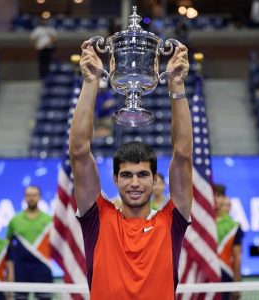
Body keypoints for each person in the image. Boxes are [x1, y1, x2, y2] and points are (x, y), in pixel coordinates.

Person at [70, 40, 192, 299]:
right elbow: (79, 153)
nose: (134, 183)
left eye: (142, 175)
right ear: (115, 179)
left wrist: (177, 85)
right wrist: (91, 82)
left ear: (155, 179)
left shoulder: (171, 221)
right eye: (126, 175)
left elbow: (182, 155)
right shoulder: (98, 218)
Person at [6, 185, 53, 300]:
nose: (31, 198)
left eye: (34, 195)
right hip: (20, 269)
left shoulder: (49, 220)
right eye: (28, 195)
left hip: (42, 267)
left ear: (39, 197)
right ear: (24, 197)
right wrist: (9, 273)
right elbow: (8, 248)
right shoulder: (15, 220)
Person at [217, 196, 243, 300]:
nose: (226, 208)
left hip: (226, 274)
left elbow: (237, 256)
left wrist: (237, 283)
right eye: (224, 204)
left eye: (229, 205)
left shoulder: (235, 226)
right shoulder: (202, 223)